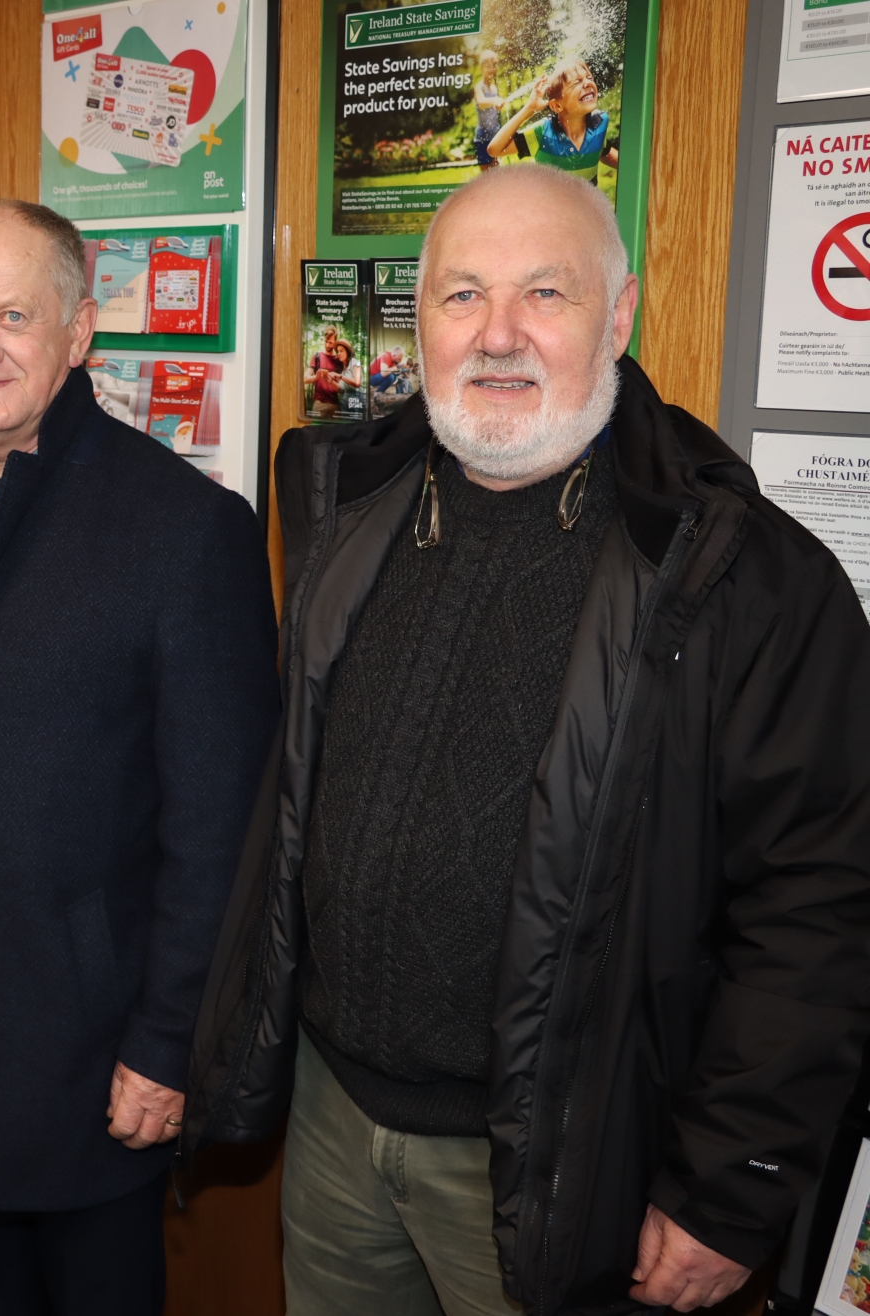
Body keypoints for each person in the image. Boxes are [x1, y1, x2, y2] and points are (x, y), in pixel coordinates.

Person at [187, 164, 870, 1314]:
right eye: (461, 296)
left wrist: (729, 1184)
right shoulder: (344, 500)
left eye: (543, 294)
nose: (497, 336)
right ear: (421, 322)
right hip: (333, 1120)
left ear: (620, 312)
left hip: (558, 1160)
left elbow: (819, 905)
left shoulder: (742, 575)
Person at [0, 199, 279, 1314]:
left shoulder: (186, 528)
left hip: (89, 1075)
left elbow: (218, 825)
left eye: (15, 315)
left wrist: (171, 1039)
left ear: (81, 330)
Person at [488, 61, 620, 183]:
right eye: (576, 82)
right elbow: (495, 149)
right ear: (557, 106)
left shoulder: (600, 122)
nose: (587, 83)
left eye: (589, 77)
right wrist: (529, 109)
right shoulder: (543, 133)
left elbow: (603, 151)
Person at [306, 324, 345, 419]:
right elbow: (305, 378)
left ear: (335, 342)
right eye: (326, 342)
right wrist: (316, 377)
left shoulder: (339, 360)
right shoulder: (317, 357)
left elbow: (342, 389)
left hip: (335, 405)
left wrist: (332, 382)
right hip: (319, 404)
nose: (327, 345)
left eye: (331, 342)